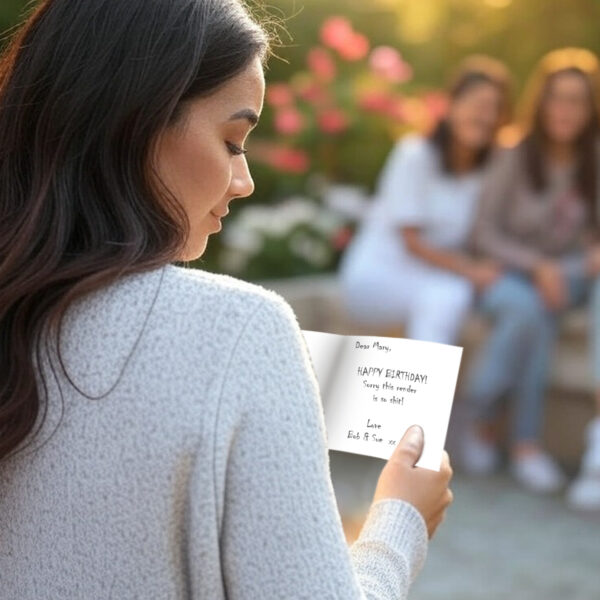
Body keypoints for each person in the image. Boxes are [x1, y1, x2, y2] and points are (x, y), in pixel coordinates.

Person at [0, 1, 454, 597]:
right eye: (233, 140)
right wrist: (398, 522)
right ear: (137, 121)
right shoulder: (242, 330)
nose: (245, 182)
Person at [460, 48, 600, 496]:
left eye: (577, 100)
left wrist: (575, 264)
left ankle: (492, 429)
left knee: (550, 304)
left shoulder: (594, 158)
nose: (566, 109)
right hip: (510, 275)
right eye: (557, 98)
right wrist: (538, 267)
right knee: (530, 312)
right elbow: (484, 233)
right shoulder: (514, 154)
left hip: (573, 276)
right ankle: (511, 434)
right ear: (541, 102)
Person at [338, 55, 511, 345]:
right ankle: (424, 389)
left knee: (450, 294)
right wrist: (471, 270)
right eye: (476, 104)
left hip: (432, 276)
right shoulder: (414, 155)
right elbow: (412, 241)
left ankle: (421, 388)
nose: (483, 116)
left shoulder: (489, 171)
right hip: (380, 273)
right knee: (448, 296)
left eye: (493, 108)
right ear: (452, 105)